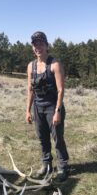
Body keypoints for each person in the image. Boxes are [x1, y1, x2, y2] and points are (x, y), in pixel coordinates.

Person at [26, 31, 69, 182]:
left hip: (52, 107)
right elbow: (30, 89)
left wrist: (57, 111)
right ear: (33, 47)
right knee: (42, 138)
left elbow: (61, 90)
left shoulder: (55, 64)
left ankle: (63, 167)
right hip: (38, 108)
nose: (38, 46)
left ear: (46, 45)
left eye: (40, 43)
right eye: (35, 44)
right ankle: (46, 166)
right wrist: (27, 110)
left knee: (57, 139)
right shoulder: (31, 67)